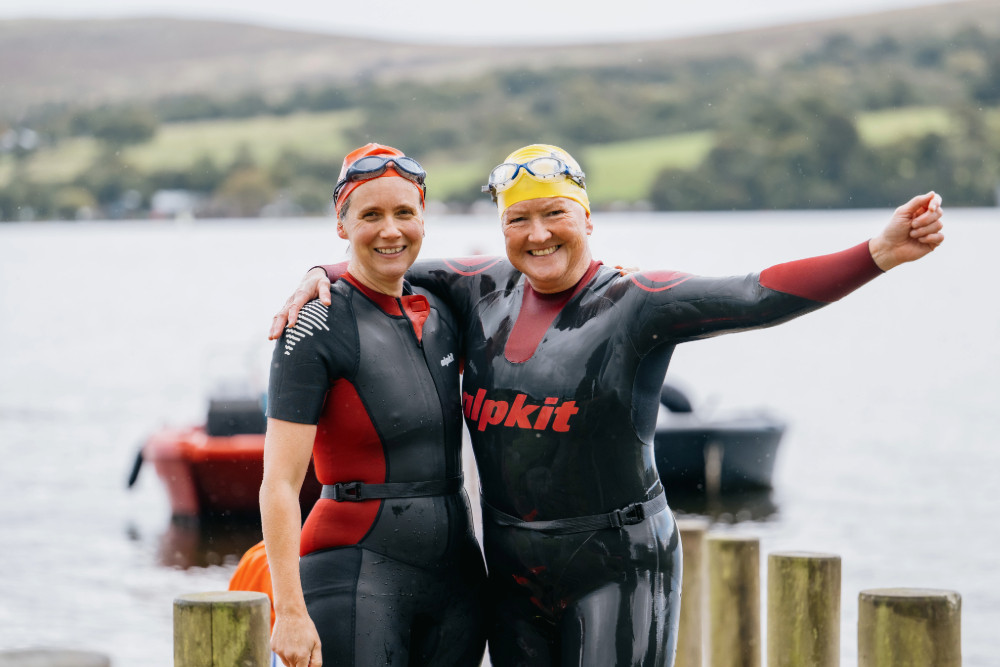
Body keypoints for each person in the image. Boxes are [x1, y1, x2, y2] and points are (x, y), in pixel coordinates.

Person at [269, 144, 944, 667]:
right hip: (509, 565)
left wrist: (876, 254)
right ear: (501, 228)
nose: (538, 234)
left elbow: (752, 293)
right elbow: (382, 260)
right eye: (519, 219)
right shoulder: (477, 289)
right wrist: (317, 272)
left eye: (555, 213)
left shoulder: (638, 301)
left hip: (616, 560)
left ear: (587, 216)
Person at [260, 143, 488, 667]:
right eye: (371, 215)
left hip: (458, 581)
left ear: (424, 219)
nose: (391, 230)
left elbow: (519, 266)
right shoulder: (314, 322)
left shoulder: (443, 307)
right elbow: (279, 484)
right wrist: (290, 611)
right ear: (341, 225)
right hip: (354, 574)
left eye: (404, 213)